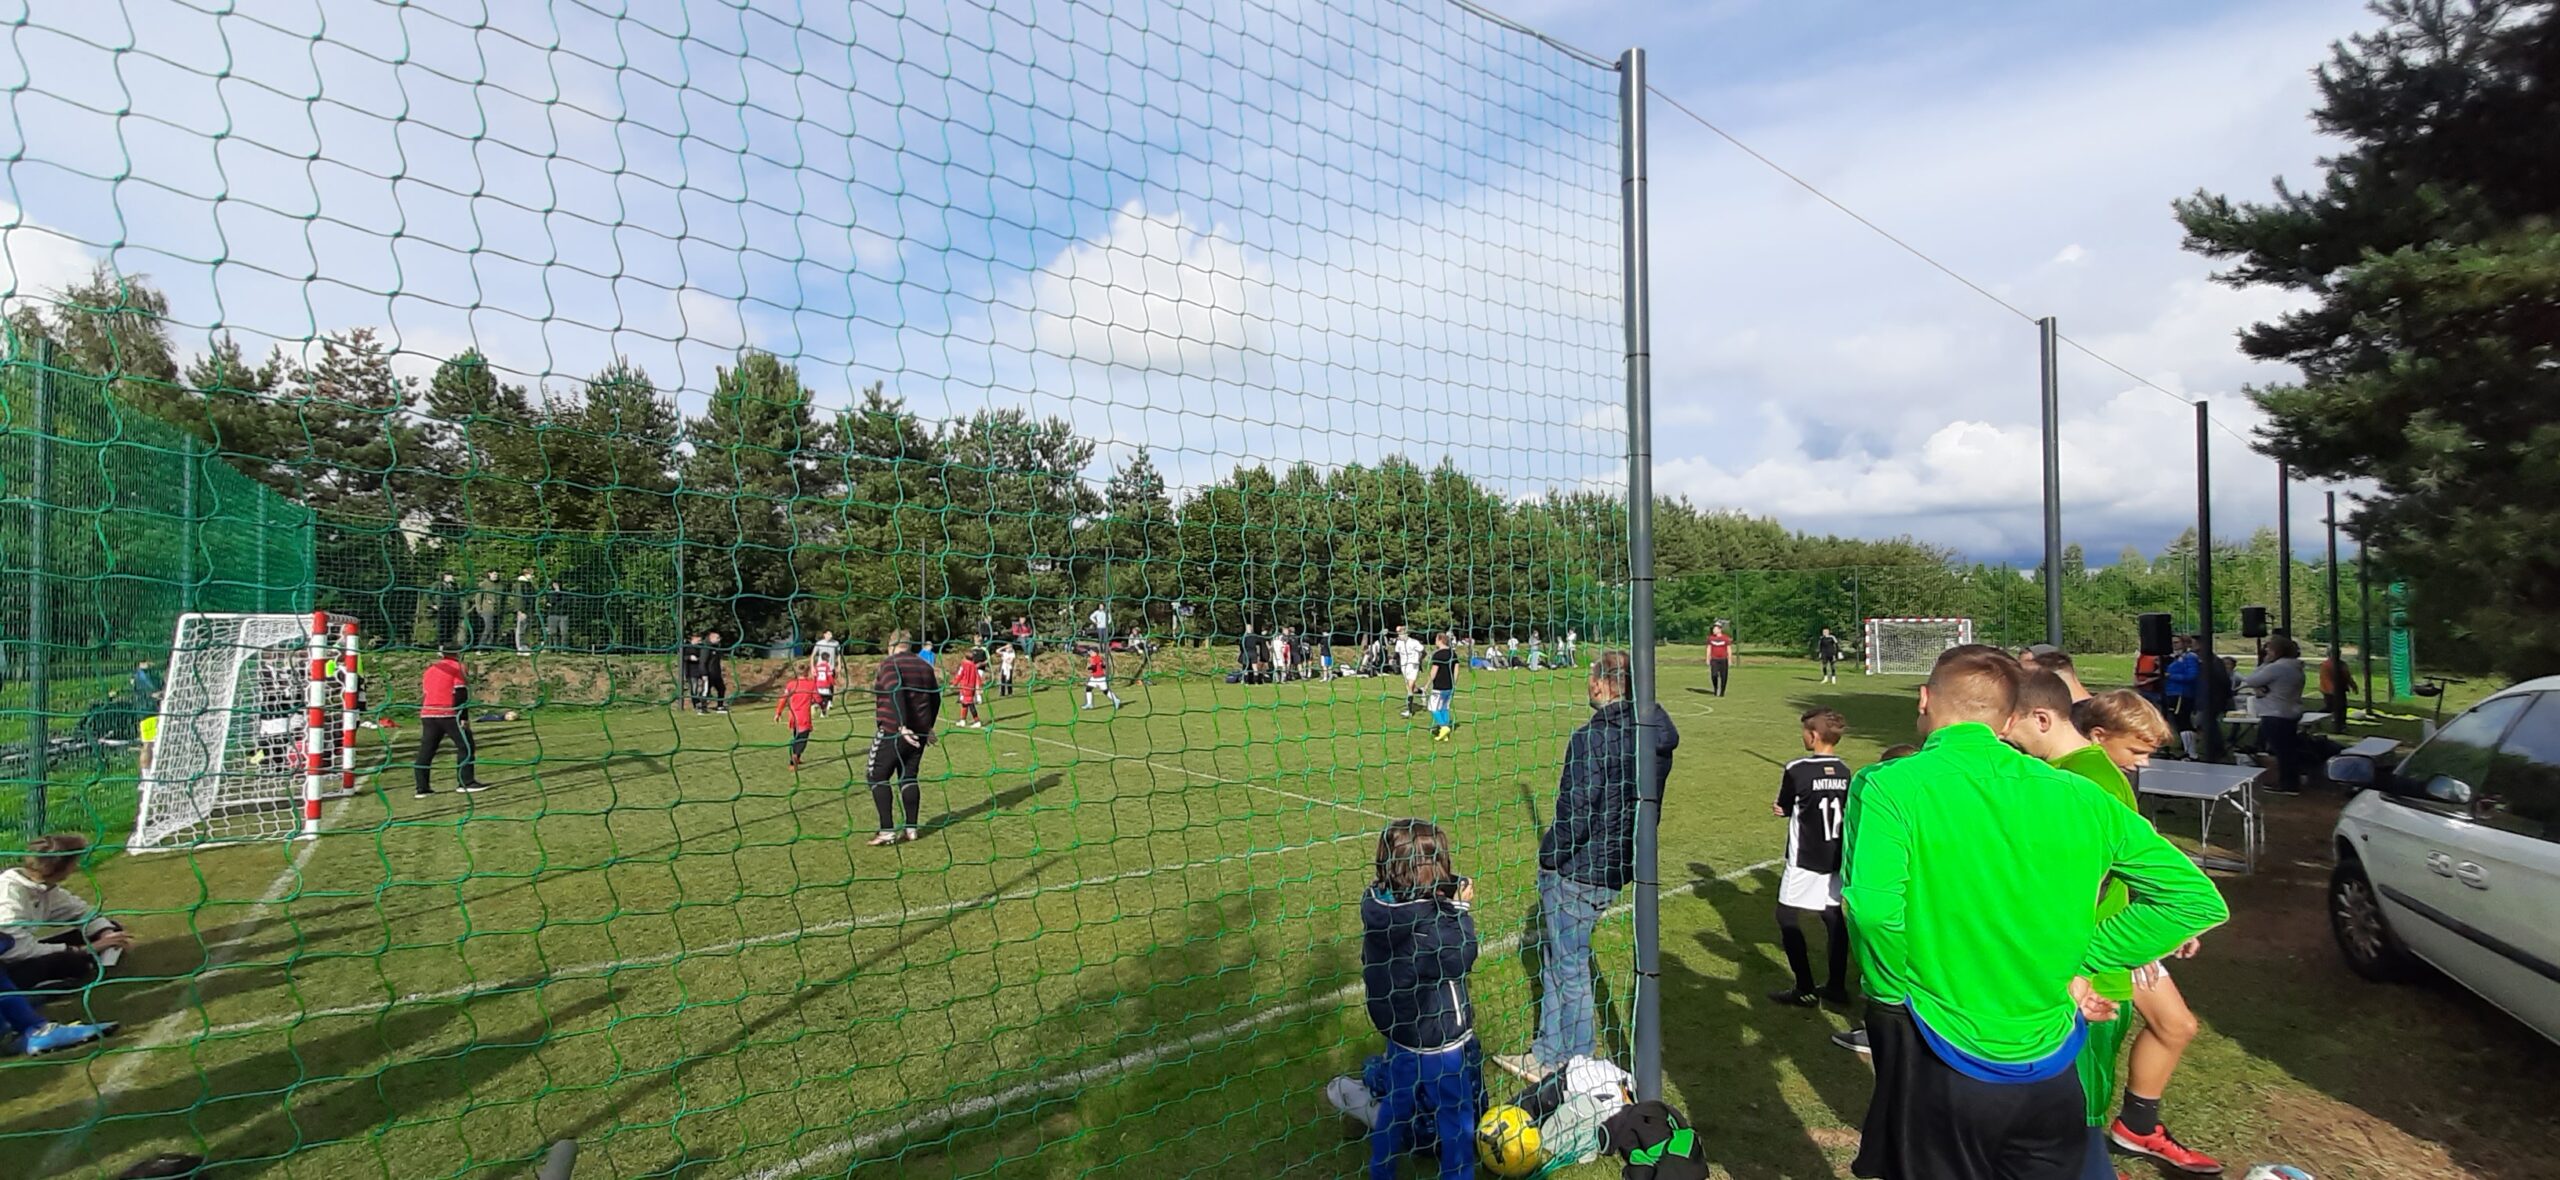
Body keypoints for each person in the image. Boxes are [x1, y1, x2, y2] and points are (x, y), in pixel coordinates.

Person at [1842, 645, 2227, 1180]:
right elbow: (2193, 898)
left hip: (1940, 1042)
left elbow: (1873, 910)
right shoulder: (2082, 796)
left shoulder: (1890, 784)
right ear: (2007, 719)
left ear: (1925, 700)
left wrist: (1889, 994)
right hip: (2051, 1057)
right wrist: (2079, 958)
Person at [1499, 652, 1679, 1083]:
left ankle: (1575, 1066)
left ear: (1601, 685)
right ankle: (1549, 1051)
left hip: (1582, 868)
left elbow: (1576, 813)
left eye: (1590, 679)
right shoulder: (1651, 734)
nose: (1587, 687)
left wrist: (1550, 858)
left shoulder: (1592, 738)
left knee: (1569, 966)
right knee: (1561, 959)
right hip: (1621, 862)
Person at [2064, 691, 2222, 1174]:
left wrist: (2161, 924)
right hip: (2099, 941)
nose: (2144, 762)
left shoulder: (2112, 777)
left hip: (2123, 931)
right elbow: (2091, 876)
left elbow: (2129, 857)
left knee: (2177, 1026)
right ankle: (2091, 1142)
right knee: (2120, 1039)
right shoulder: (2092, 780)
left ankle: (2137, 1125)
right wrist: (2141, 936)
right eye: (2137, 750)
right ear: (2098, 736)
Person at [2005, 674, 2146, 1179]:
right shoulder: (2085, 770)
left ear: (2041, 719)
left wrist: (2066, 961)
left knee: (2073, 1116)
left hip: (2083, 974)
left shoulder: (2083, 779)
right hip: (2088, 966)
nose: (2004, 736)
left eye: (2010, 724)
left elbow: (2095, 877)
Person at [1360, 818, 1483, 1180]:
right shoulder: (1430, 925)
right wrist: (1458, 909)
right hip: (1438, 1040)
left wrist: (1440, 896)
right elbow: (1462, 954)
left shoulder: (1380, 908)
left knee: (1395, 1104)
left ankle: (1380, 1169)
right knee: (1456, 1116)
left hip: (1400, 1033)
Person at [1769, 708, 1853, 1008]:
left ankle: (1804, 988)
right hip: (1834, 856)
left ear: (1814, 736)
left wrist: (1782, 809)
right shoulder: (1845, 771)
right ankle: (1836, 986)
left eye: (1804, 731)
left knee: (1786, 915)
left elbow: (1786, 805)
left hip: (1804, 857)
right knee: (1832, 915)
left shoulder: (1797, 768)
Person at [0, 834, 135, 996]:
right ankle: (38, 988)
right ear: (61, 867)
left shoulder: (43, 887)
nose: (77, 866)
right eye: (74, 862)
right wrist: (85, 949)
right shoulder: (9, 896)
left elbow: (79, 911)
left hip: (24, 950)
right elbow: (15, 950)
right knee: (71, 962)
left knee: (109, 928)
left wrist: (106, 933)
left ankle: (87, 962)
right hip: (7, 963)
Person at [868, 631, 940, 846]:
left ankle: (887, 831)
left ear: (891, 645)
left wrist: (901, 725)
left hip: (895, 730)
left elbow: (896, 692)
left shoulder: (890, 664)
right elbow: (935, 697)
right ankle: (911, 828)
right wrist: (928, 727)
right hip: (918, 732)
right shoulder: (924, 666)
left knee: (876, 775)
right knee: (908, 776)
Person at [416, 647, 490, 797]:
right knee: (466, 746)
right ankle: (466, 782)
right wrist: (463, 717)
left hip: (428, 713)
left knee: (427, 750)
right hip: (449, 713)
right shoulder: (458, 667)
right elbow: (460, 693)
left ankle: (422, 788)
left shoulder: (431, 669)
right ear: (458, 653)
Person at [2243, 636, 2309, 794]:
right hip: (2290, 711)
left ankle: (2288, 785)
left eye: (2270, 649)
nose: (2267, 652)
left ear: (2277, 651)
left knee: (2282, 751)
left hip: (2275, 713)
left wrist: (2265, 662)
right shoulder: (2296, 667)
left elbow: (2251, 680)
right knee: (2288, 749)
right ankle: (2292, 780)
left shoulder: (2276, 668)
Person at [2162, 637, 2203, 757]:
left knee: (2183, 720)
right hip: (2172, 692)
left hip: (2182, 692)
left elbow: (2192, 676)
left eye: (2177, 643)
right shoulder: (2175, 658)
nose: (2174, 645)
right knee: (2177, 720)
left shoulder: (2189, 657)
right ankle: (2187, 749)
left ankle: (2191, 752)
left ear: (2185, 644)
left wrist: (2171, 676)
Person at [775, 663, 821, 771]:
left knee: (797, 736)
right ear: (807, 672)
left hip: (793, 716)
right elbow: (818, 698)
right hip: (804, 717)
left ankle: (797, 758)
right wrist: (817, 702)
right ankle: (794, 758)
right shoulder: (811, 684)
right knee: (802, 739)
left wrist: (778, 713)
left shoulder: (791, 684)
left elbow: (783, 699)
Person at [1427, 631, 1458, 742]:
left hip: (1439, 686)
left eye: (1436, 639)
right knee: (1444, 708)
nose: (1435, 641)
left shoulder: (1438, 654)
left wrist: (1427, 685)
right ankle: (1444, 733)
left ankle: (1444, 727)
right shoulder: (1453, 653)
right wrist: (1454, 683)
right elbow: (1456, 669)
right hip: (1449, 686)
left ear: (1440, 640)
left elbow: (1434, 671)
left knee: (1432, 707)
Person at [2318, 649, 2355, 734]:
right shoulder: (2326, 665)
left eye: (2338, 653)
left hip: (2341, 689)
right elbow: (2326, 679)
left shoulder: (2342, 664)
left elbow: (2347, 676)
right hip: (2329, 691)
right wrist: (2332, 690)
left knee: (2342, 707)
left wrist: (2352, 685)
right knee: (2330, 707)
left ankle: (2342, 725)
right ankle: (2317, 718)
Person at [1396, 626, 1426, 716]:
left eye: (1400, 633)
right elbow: (1397, 654)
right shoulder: (1399, 643)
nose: (1399, 635)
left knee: (1410, 687)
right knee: (1412, 688)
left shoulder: (1414, 642)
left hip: (1413, 666)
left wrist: (1419, 661)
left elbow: (1424, 652)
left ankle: (1409, 711)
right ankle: (1421, 691)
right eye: (1398, 633)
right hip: (1404, 667)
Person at [953, 649, 986, 728]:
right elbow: (977, 677)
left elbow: (960, 674)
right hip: (971, 687)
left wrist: (954, 683)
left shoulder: (963, 664)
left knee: (970, 704)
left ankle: (977, 721)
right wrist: (978, 686)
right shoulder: (974, 666)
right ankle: (963, 720)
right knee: (964, 703)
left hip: (965, 686)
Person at [700, 631, 730, 712]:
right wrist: (704, 673)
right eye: (717, 638)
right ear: (711, 638)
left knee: (721, 688)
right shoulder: (706, 648)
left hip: (716, 674)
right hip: (708, 673)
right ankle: (702, 707)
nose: (719, 639)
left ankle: (720, 706)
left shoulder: (716, 647)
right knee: (706, 690)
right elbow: (703, 661)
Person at [434, 571, 464, 649]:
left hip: (453, 610)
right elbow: (429, 595)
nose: (452, 577)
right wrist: (434, 605)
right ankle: (441, 647)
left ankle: (449, 647)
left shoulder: (455, 586)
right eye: (450, 575)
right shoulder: (439, 585)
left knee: (452, 628)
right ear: (445, 576)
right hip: (443, 609)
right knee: (443, 628)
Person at [1705, 623, 1734, 697]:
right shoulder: (1710, 638)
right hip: (1714, 659)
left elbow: (1729, 649)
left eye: (1715, 629)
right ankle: (1715, 689)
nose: (1713, 630)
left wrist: (1730, 659)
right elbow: (1709, 648)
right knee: (1714, 675)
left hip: (1723, 660)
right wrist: (1708, 658)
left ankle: (1722, 692)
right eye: (1713, 629)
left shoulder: (1725, 638)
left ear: (1719, 629)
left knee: (1724, 676)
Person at [680, 634, 707, 713]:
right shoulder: (686, 647)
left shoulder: (701, 647)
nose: (700, 641)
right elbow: (682, 657)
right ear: (693, 639)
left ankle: (702, 703)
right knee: (694, 688)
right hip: (691, 671)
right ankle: (696, 704)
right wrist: (689, 657)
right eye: (698, 640)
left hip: (701, 670)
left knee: (705, 687)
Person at [543, 580, 570, 650]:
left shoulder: (565, 592)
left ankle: (564, 649)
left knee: (564, 633)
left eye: (557, 583)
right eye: (554, 584)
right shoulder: (549, 592)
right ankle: (555, 648)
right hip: (552, 614)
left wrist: (553, 604)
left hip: (563, 614)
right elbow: (549, 602)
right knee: (553, 633)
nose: (555, 585)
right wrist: (556, 593)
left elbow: (565, 602)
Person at [813, 653, 838, 718]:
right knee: (825, 699)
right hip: (825, 685)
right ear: (827, 658)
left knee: (820, 698)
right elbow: (829, 676)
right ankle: (823, 713)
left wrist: (814, 684)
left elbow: (815, 676)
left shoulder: (817, 666)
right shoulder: (827, 666)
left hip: (818, 685)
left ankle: (817, 705)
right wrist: (833, 683)